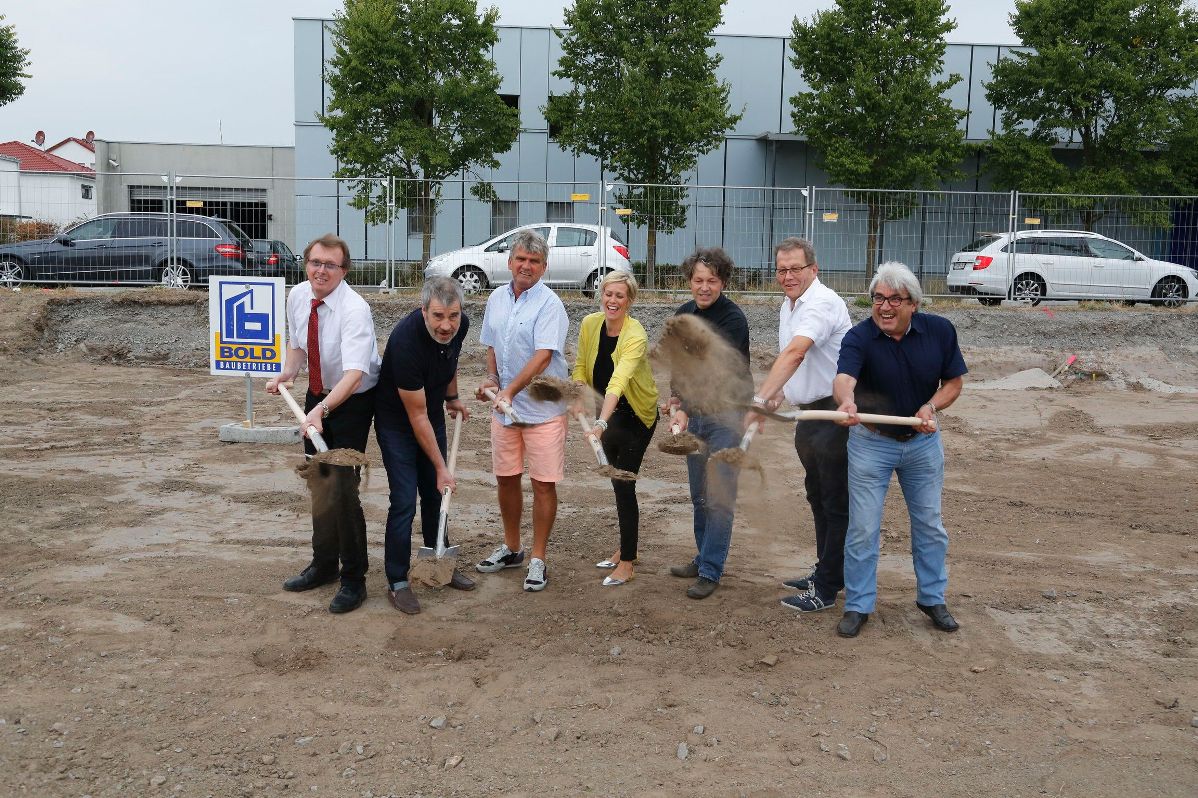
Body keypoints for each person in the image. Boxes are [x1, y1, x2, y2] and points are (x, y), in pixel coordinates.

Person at [831, 262, 967, 638]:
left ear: (914, 304)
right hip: (870, 444)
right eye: (878, 298)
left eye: (894, 299)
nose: (884, 307)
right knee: (862, 528)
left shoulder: (940, 331)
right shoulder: (859, 337)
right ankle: (858, 604)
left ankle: (932, 597)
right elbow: (844, 378)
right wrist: (846, 402)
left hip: (922, 444)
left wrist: (931, 407)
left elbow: (954, 382)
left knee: (930, 525)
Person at [266, 233, 381, 614]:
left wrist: (322, 411)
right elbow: (299, 344)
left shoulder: (354, 309)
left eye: (330, 265)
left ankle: (354, 579)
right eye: (315, 262)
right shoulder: (298, 296)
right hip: (318, 395)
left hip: (353, 400)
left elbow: (353, 374)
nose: (321, 271)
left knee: (343, 490)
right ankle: (323, 565)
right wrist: (286, 374)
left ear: (343, 271)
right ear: (307, 264)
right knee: (319, 482)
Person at [746, 237, 852, 614]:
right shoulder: (789, 305)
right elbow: (793, 362)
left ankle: (825, 588)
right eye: (782, 270)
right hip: (808, 415)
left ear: (813, 269)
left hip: (833, 414)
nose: (788, 276)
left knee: (836, 502)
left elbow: (796, 352)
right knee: (818, 497)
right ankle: (826, 570)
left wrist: (760, 401)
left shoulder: (821, 303)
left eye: (795, 269)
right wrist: (778, 396)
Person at [474, 230, 570, 592]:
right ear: (510, 261)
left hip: (543, 410)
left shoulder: (550, 305)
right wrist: (491, 380)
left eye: (534, 261)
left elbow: (544, 355)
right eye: (520, 259)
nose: (526, 266)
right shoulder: (497, 299)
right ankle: (512, 548)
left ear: (543, 267)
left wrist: (510, 391)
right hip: (504, 411)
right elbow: (492, 346)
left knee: (543, 484)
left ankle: (538, 558)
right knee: (507, 478)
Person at [374, 277, 475, 615]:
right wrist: (442, 468)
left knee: (435, 494)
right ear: (423, 311)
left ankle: (440, 561)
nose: (446, 325)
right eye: (438, 317)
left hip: (430, 412)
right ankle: (398, 580)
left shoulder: (459, 327)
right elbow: (416, 418)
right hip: (397, 422)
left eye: (453, 316)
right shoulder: (405, 342)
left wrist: (453, 397)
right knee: (404, 499)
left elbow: (452, 359)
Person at [664, 247, 752, 599]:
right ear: (689, 282)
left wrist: (684, 404)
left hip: (726, 415)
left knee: (719, 496)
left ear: (723, 282)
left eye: (712, 280)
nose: (704, 287)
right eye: (698, 280)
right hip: (693, 413)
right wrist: (675, 398)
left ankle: (712, 570)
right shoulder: (684, 313)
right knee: (700, 494)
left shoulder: (734, 320)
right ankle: (703, 559)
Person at [570, 271, 659, 587]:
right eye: (608, 294)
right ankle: (626, 546)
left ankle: (627, 562)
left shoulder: (636, 335)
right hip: (605, 415)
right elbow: (580, 366)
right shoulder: (589, 325)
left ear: (630, 300)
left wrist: (600, 423)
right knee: (617, 484)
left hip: (636, 415)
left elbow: (619, 381)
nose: (612, 300)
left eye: (620, 296)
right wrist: (578, 393)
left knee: (624, 483)